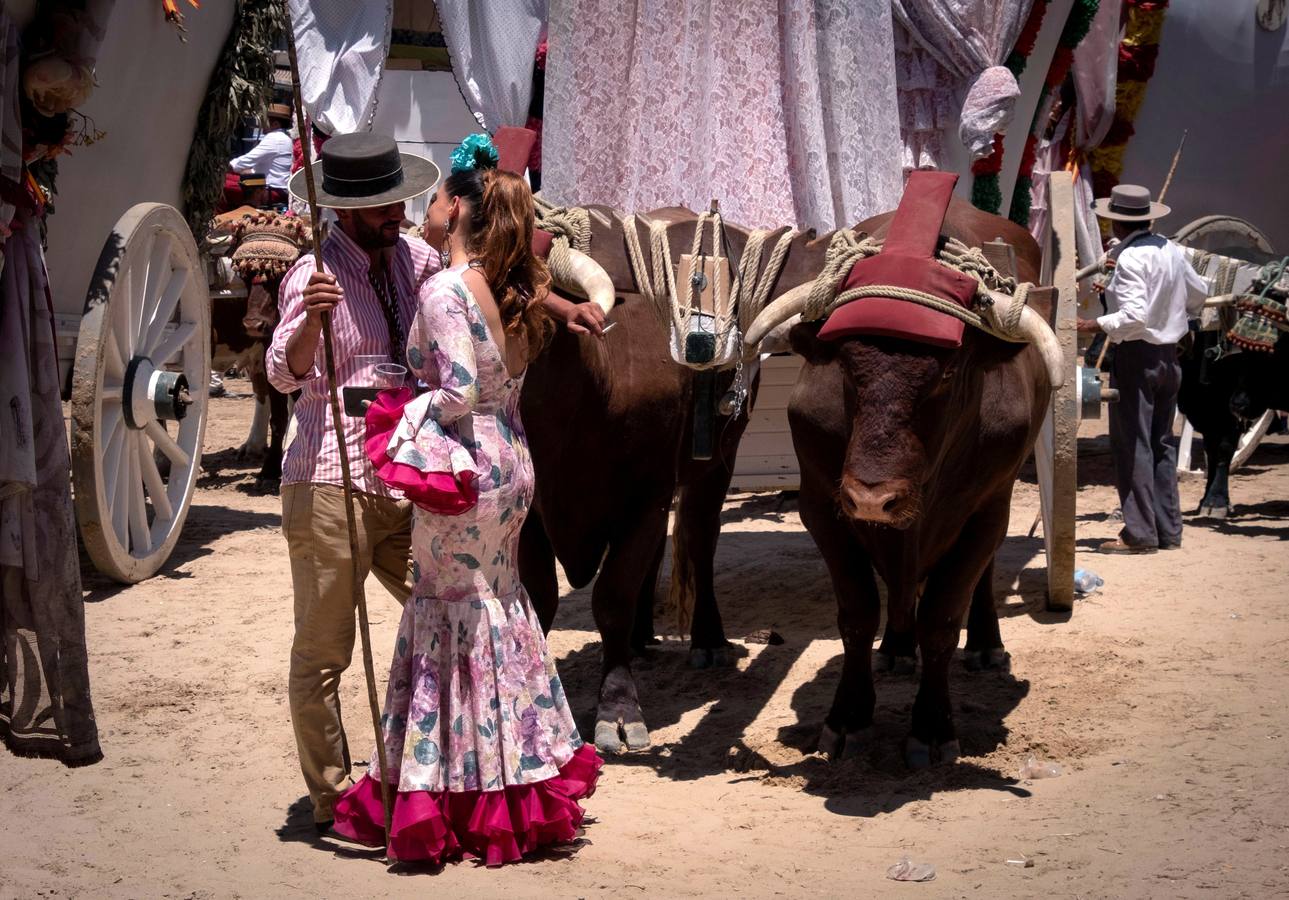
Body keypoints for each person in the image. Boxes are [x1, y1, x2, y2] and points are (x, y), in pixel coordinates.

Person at [332, 136, 601, 865]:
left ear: (455, 209)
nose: (425, 208)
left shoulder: (446, 292)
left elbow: (455, 392)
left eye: (435, 198)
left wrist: (395, 414)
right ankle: (520, 772)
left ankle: (458, 791)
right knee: (497, 608)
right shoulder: (505, 285)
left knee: (449, 613)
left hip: (465, 469)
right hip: (509, 460)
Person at [267, 132, 442, 833]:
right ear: (344, 211)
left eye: (396, 200)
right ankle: (332, 795)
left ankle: (433, 768)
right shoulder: (311, 272)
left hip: (407, 477)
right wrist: (312, 316)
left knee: (446, 608)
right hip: (330, 479)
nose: (393, 214)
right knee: (324, 650)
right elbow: (283, 372)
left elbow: (457, 290)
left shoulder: (416, 259)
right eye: (378, 207)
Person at [1077, 184, 1207, 553]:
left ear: (1118, 224)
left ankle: (1139, 533)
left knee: (1133, 445)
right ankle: (1168, 531)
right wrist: (1175, 314)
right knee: (1161, 444)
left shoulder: (1131, 260)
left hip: (1137, 357)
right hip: (1169, 358)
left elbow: (1133, 317)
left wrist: (1094, 325)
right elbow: (1198, 294)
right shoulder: (1172, 250)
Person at [230, 103, 295, 206]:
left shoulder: (274, 138)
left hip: (272, 190)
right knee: (230, 177)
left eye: (264, 120)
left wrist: (229, 165)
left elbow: (247, 160)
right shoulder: (284, 138)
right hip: (277, 188)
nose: (261, 124)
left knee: (223, 184)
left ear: (275, 124)